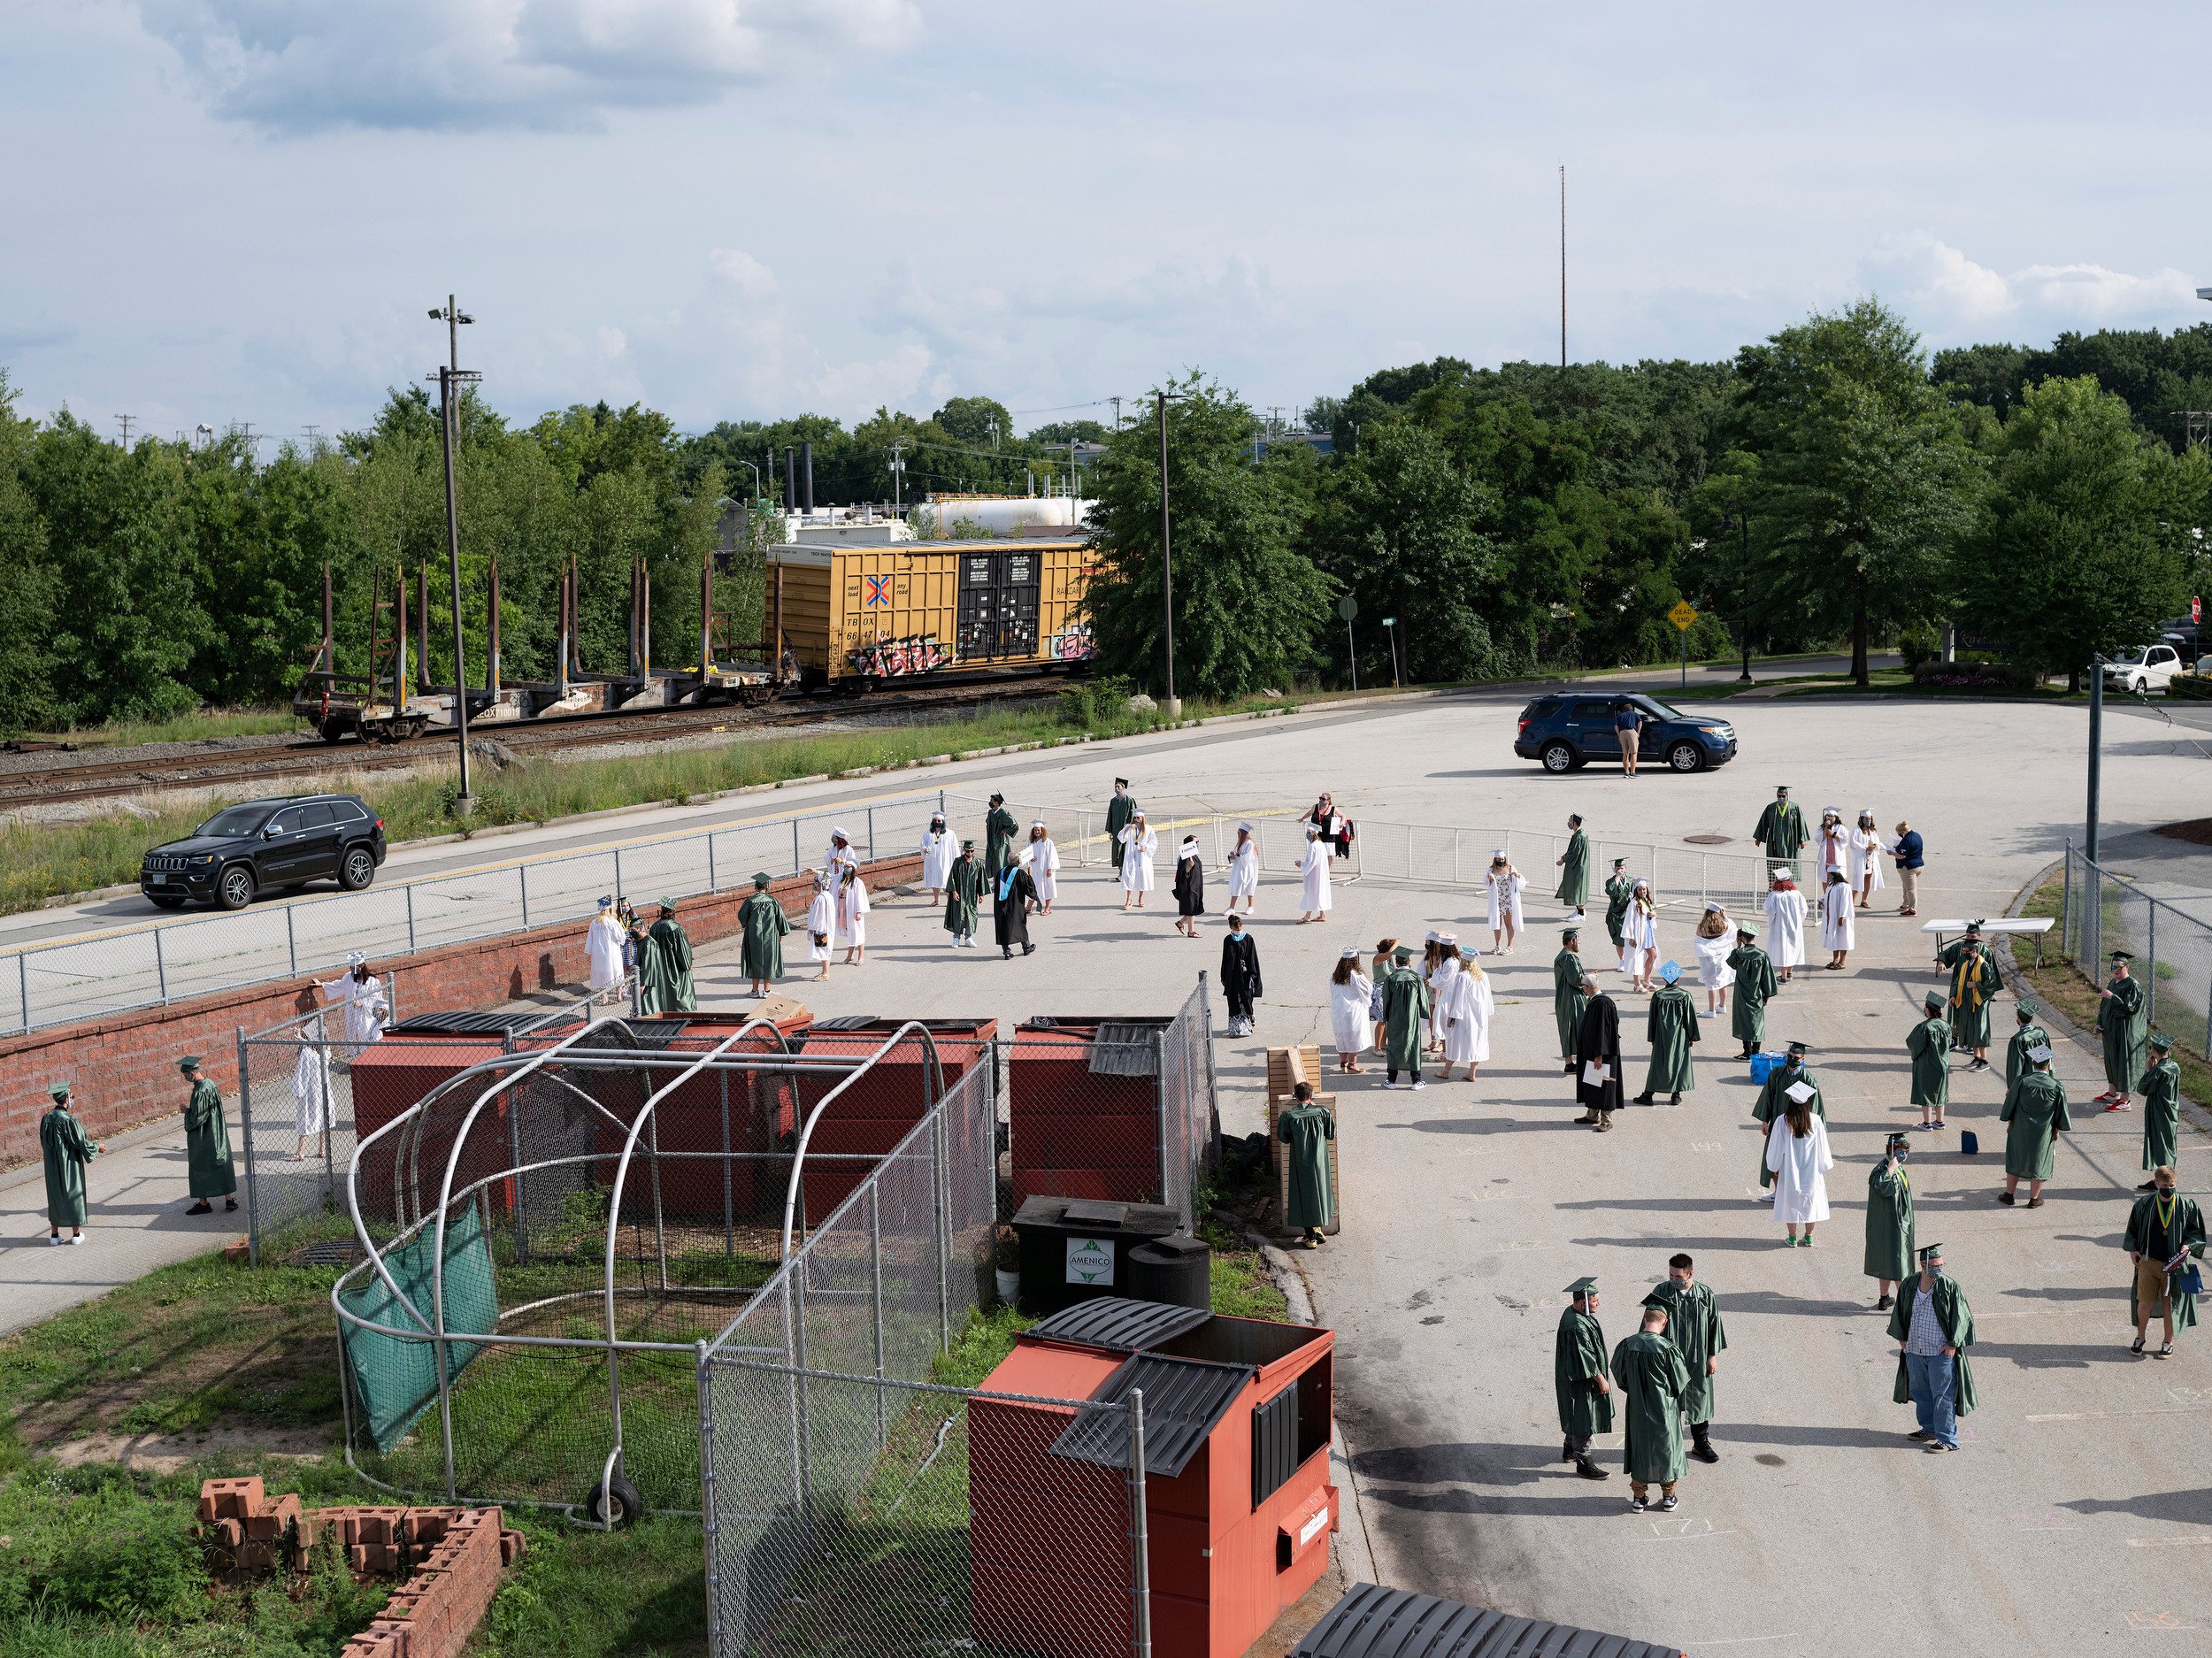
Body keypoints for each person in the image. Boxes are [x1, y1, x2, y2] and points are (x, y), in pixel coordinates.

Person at [1889, 1242, 1975, 1453]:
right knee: (1921, 1391)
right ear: (1923, 1265)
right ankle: (1929, 1428)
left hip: (1939, 1353)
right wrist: (1902, 1339)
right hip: (1915, 1350)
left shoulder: (1949, 1286)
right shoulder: (1910, 1284)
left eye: (1941, 1264)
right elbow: (1900, 1310)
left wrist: (1952, 1345)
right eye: (1935, 1265)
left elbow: (1962, 1317)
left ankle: (1948, 1439)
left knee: (1943, 1395)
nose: (1939, 1269)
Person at [1643, 1254, 1725, 1464]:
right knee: (1668, 1402)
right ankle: (1669, 1446)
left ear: (1690, 1274)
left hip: (1697, 1360)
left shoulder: (1705, 1295)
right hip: (1669, 1360)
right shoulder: (1662, 1292)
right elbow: (1650, 1325)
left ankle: (1700, 1443)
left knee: (1699, 1399)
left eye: (1678, 1276)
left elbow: (1714, 1325)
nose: (1673, 1279)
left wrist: (1712, 1356)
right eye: (1670, 1275)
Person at [1611, 1304, 1693, 1513]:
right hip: (1664, 1408)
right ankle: (1668, 1496)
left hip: (1638, 1407)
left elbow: (1620, 1376)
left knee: (1640, 1447)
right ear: (1664, 1323)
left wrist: (1636, 1390)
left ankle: (1639, 1498)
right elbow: (1680, 1382)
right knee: (1666, 1448)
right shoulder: (1668, 1349)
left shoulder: (1628, 1345)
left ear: (1644, 1318)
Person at [2124, 1165, 2205, 1359]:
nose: (2169, 1189)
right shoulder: (2144, 1205)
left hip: (2174, 1266)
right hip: (2148, 1262)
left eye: (2172, 1185)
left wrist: (2188, 1246)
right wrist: (2133, 1249)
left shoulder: (2187, 1206)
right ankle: (2140, 1338)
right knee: (2144, 1303)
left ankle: (2168, 1342)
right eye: (2165, 1185)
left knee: (2171, 1306)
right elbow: (2133, 1229)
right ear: (2156, 1184)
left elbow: (2196, 1233)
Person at [1555, 1277, 1614, 1480]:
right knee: (1584, 1416)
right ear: (1583, 1302)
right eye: (1595, 1300)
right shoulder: (1577, 1327)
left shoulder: (1573, 1313)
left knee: (1576, 1412)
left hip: (1571, 1377)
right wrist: (1601, 1380)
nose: (1598, 1303)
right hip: (1580, 1379)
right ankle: (1583, 1460)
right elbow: (1585, 1357)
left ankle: (1569, 1448)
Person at [1998, 1042, 2070, 1209]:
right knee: (2039, 1161)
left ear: (2032, 1063)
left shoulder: (2022, 1082)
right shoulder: (2056, 1086)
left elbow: (2010, 1104)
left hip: (2019, 1127)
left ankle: (2009, 1195)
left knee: (2016, 1158)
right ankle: (2034, 1198)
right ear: (2049, 1064)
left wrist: (2009, 1121)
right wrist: (2057, 1130)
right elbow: (2061, 1112)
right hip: (2044, 1131)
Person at [1752, 1040, 1823, 1196]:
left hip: (1798, 1128)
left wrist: (1809, 1130)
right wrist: (1765, 1120)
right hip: (1779, 1124)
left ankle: (1795, 1192)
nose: (1792, 1059)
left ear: (1803, 1059)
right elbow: (1768, 1096)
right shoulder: (1777, 1074)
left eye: (1796, 1057)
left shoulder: (1808, 1080)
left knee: (1794, 1161)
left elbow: (1815, 1109)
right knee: (1774, 1157)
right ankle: (1778, 1192)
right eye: (1790, 1055)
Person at [1766, 1086, 1833, 1247]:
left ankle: (1792, 1237)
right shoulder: (1815, 1120)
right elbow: (1822, 1146)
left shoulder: (1782, 1121)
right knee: (1810, 1200)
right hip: (1811, 1169)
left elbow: (1776, 1146)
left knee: (1790, 1201)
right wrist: (1823, 1164)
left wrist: (1774, 1165)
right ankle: (1809, 1236)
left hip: (1790, 1168)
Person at [1276, 1081, 1335, 1248]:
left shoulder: (1289, 1116)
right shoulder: (1322, 1112)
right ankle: (1318, 1229)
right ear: (1311, 1096)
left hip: (1300, 1161)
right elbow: (1330, 1133)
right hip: (1320, 1160)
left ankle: (1311, 1237)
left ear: (1296, 1097)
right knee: (1320, 1191)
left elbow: (1284, 1137)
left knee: (1303, 1194)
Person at [39, 1082, 100, 1245]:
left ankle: (54, 1236)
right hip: (69, 1163)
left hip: (52, 1164)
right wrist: (97, 1147)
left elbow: (43, 1142)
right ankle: (76, 1234)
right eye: (71, 1095)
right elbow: (80, 1142)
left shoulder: (46, 1119)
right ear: (65, 1098)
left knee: (55, 1195)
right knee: (73, 1193)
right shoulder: (68, 1120)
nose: (73, 1098)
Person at [1937, 922, 2001, 1072]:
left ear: (1977, 942)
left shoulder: (1984, 960)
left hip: (1979, 1000)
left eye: (1973, 938)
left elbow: (1992, 981)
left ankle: (1983, 1060)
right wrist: (1953, 994)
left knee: (1980, 1029)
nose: (1965, 951)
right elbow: (1958, 979)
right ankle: (1975, 1056)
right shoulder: (1966, 961)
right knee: (1969, 1026)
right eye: (1968, 937)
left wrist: (1978, 988)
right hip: (1964, 998)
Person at [1633, 960, 1698, 1106]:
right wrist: (1692, 1036)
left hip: (1661, 1035)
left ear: (1664, 978)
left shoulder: (1658, 996)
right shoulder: (1685, 995)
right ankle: (1676, 1095)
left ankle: (1648, 1094)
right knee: (1679, 1062)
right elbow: (1690, 1018)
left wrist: (1652, 1036)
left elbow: (1653, 1019)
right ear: (1678, 978)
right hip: (1680, 1035)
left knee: (1657, 1063)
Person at [1865, 1133, 1916, 1311]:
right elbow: (1879, 1185)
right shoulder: (1883, 1169)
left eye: (1907, 1151)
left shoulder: (1897, 1167)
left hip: (1896, 1222)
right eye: (1901, 1151)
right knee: (1899, 1264)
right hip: (1892, 1224)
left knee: (1888, 1261)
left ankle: (1885, 1298)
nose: (1905, 1155)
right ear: (1891, 1150)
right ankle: (1906, 1306)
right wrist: (1890, 1170)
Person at [180, 1055, 236, 1217]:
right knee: (220, 1161)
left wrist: (186, 1112)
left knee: (199, 1164)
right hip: (217, 1130)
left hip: (204, 1134)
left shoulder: (200, 1091)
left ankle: (203, 1203)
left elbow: (198, 1118)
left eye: (185, 1075)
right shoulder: (211, 1084)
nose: (185, 1078)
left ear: (191, 1072)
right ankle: (229, 1200)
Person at [2096, 950, 2148, 1110]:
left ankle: (2125, 1101)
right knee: (2111, 1060)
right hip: (2111, 1030)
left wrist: (2113, 997)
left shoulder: (2133, 985)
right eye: (2113, 967)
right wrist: (2100, 1022)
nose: (2116, 971)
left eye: (2119, 967)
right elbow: (2104, 1005)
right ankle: (2113, 1094)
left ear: (2127, 967)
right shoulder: (2113, 983)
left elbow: (2129, 1007)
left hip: (2125, 1032)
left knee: (2123, 1063)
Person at [316, 954, 388, 1059]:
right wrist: (322, 984)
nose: (352, 970)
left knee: (365, 1035)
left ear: (362, 966)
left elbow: (376, 998)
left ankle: (369, 1061)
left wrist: (362, 1002)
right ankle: (357, 1060)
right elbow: (339, 985)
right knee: (352, 1036)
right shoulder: (349, 977)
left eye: (355, 968)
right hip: (352, 1013)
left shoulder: (372, 980)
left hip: (365, 1014)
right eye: (351, 968)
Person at [1439, 942, 1493, 1083]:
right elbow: (1488, 997)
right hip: (1479, 1015)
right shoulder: (1483, 975)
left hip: (1465, 1015)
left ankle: (1446, 1071)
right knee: (1477, 1042)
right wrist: (1486, 1012)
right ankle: (1472, 1073)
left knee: (1454, 1041)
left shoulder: (1462, 976)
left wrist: (1451, 1016)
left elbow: (1457, 997)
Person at [1575, 977, 1624, 1131]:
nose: (1582, 990)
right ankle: (1592, 1114)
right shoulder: (1597, 1001)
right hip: (1594, 1052)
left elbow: (1604, 1031)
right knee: (1593, 1083)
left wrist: (1599, 1055)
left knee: (1605, 1085)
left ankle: (1606, 1120)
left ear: (1587, 987)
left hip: (1603, 1055)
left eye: (1583, 987)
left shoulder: (1603, 1004)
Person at [1379, 947, 1431, 1089]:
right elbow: (1423, 999)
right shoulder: (1416, 978)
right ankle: (1416, 1080)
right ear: (1409, 962)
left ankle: (1391, 1080)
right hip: (1411, 1017)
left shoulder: (1390, 979)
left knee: (1394, 1045)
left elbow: (1386, 999)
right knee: (1413, 1044)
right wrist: (1425, 1013)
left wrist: (1386, 1016)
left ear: (1396, 963)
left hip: (1394, 1017)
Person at [1726, 922, 1777, 1060]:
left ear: (1741, 937)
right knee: (1757, 1021)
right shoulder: (1762, 955)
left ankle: (1747, 1052)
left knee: (1743, 1021)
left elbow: (1731, 964)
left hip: (1741, 994)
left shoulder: (1738, 953)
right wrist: (1767, 994)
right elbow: (1767, 977)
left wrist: (1737, 946)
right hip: (1757, 993)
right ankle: (1756, 1052)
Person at [2139, 1032, 2183, 1190]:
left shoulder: (2159, 1071)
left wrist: (2148, 1069)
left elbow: (2142, 1088)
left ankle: (2165, 1183)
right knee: (2167, 1144)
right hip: (2171, 1110)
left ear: (2154, 1051)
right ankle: (2160, 1179)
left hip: (2159, 1111)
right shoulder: (2174, 1067)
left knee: (2161, 1146)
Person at [638, 897, 696, 1012]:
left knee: (664, 989)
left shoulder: (654, 927)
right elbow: (682, 949)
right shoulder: (675, 927)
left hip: (660, 965)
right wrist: (687, 963)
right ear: (672, 913)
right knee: (679, 988)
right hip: (674, 965)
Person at [1907, 990, 1952, 1132]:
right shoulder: (1946, 1026)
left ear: (1928, 1009)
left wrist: (1916, 1055)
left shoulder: (1925, 1027)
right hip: (1943, 1064)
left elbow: (1913, 1043)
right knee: (1940, 1092)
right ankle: (1940, 1121)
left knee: (1926, 1092)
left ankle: (1927, 1123)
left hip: (1927, 1065)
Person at [738, 871, 787, 994]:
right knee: (769, 960)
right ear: (767, 886)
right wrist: (781, 932)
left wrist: (746, 924)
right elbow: (780, 918)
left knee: (755, 960)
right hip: (770, 935)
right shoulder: (772, 901)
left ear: (755, 887)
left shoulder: (750, 901)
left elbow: (742, 916)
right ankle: (767, 991)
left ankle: (754, 991)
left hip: (753, 935)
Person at [1551, 928, 1590, 1074]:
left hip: (1563, 998)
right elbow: (1576, 980)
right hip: (1573, 999)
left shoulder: (1560, 956)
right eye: (1577, 940)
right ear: (1572, 941)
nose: (1579, 942)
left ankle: (1569, 1064)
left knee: (1566, 1030)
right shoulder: (1569, 957)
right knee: (1581, 1029)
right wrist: (1589, 979)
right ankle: (1582, 1063)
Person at [1328, 949, 1373, 1072]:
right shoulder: (1356, 975)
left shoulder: (1334, 976)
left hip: (1337, 1010)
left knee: (1341, 1036)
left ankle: (1343, 1063)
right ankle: (1352, 1064)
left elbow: (1332, 992)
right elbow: (1368, 990)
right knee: (1353, 1037)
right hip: (1353, 1011)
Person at [1752, 785, 1809, 879]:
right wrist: (1759, 838)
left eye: (1783, 796)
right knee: (1774, 863)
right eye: (1779, 796)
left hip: (1790, 842)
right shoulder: (1771, 808)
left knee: (1788, 862)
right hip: (1774, 842)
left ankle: (1788, 886)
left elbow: (1800, 824)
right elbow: (1764, 822)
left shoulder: (1794, 808)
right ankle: (1772, 886)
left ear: (1787, 796)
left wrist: (1802, 840)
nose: (1781, 798)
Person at [291, 1032, 333, 1162]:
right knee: (323, 1118)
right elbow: (316, 1044)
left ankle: (301, 1152)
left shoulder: (307, 1054)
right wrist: (301, 1038)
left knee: (306, 1119)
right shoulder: (325, 1052)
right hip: (324, 1090)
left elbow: (302, 1073)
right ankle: (322, 1149)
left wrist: (298, 1091)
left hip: (311, 1092)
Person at [1220, 912, 1263, 1035]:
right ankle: (1235, 1028)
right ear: (1231, 927)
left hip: (1245, 975)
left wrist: (1254, 975)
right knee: (1233, 1000)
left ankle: (1249, 1020)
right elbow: (1225, 958)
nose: (1238, 930)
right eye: (1236, 928)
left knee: (1246, 999)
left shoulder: (1248, 939)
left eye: (1240, 927)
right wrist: (1223, 976)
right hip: (1232, 975)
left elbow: (1253, 958)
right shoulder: (1228, 940)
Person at [1691, 902, 1734, 1017]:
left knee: (1712, 986)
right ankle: (1722, 1006)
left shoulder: (1701, 927)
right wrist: (1725, 917)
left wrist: (1709, 950)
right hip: (1723, 959)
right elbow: (1733, 930)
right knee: (1723, 983)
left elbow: (1698, 944)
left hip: (1709, 960)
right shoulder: (1724, 925)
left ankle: (1711, 1011)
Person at [993, 853, 1039, 959]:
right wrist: (1030, 875)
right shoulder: (1020, 873)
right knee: (1020, 924)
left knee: (1003, 925)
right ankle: (1026, 948)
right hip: (1015, 905)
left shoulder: (1000, 872)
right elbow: (1029, 888)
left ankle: (1007, 952)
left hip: (1000, 905)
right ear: (1018, 862)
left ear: (1008, 861)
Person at [586, 896, 627, 1003]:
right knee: (616, 970)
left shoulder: (594, 923)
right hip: (612, 951)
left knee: (602, 973)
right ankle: (619, 994)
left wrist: (590, 949)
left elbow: (590, 939)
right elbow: (620, 937)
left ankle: (604, 996)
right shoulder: (612, 922)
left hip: (598, 953)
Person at [944, 840, 983, 948]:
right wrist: (953, 891)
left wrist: (981, 894)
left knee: (971, 915)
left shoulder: (978, 863)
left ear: (974, 850)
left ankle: (969, 938)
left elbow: (981, 880)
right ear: (963, 850)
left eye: (971, 851)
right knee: (958, 915)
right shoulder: (957, 862)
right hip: (959, 894)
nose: (969, 853)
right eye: (967, 851)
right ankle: (956, 938)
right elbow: (952, 877)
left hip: (971, 894)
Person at [1621, 879, 1658, 992]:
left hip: (1647, 934)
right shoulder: (1633, 904)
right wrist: (1631, 937)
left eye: (1644, 889)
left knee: (1653, 956)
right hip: (1637, 935)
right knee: (1636, 959)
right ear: (1636, 890)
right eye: (1640, 889)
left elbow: (1649, 916)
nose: (1643, 891)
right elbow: (1628, 921)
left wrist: (1654, 914)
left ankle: (1646, 981)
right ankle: (1637, 985)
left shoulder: (1646, 901)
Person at [1485, 852, 1525, 954]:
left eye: (1502, 859)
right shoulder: (1490, 870)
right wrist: (1489, 879)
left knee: (1508, 923)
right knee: (1496, 923)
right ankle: (1497, 945)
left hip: (1508, 899)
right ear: (1495, 859)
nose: (1501, 861)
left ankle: (1510, 946)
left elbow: (1521, 882)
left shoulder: (1511, 868)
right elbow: (1486, 882)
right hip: (1497, 899)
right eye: (1499, 859)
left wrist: (1517, 875)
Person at [1118, 810, 1158, 910]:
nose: (1136, 820)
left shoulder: (1148, 828)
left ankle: (1141, 897)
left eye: (1138, 818)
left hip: (1142, 856)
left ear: (1143, 819)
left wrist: (1146, 847)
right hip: (1131, 855)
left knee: (1142, 875)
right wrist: (1128, 828)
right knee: (1129, 875)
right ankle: (1129, 900)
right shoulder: (1130, 827)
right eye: (1135, 818)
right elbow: (1121, 838)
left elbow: (1154, 842)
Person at [1818, 869, 1855, 971]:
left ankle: (1842, 962)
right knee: (1834, 937)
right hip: (1831, 917)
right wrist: (1821, 901)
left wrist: (1842, 916)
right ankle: (1835, 959)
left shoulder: (1844, 886)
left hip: (1841, 917)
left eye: (1829, 874)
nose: (1828, 876)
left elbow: (1846, 902)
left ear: (1835, 874)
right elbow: (1827, 896)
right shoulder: (1831, 885)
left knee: (1843, 938)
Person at [2006, 1002, 2048, 1091]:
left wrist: (2012, 1088)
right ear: (2032, 1018)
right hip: (2044, 1080)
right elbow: (2046, 1059)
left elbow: (2016, 1066)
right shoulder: (2041, 1033)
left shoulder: (2018, 1039)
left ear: (2018, 1018)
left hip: (2027, 1083)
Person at [1555, 814, 1591, 918]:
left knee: (1578, 888)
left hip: (1579, 866)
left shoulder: (1580, 836)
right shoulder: (1578, 834)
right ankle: (1578, 910)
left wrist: (1563, 860)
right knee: (1575, 887)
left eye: (1570, 820)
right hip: (1578, 865)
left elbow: (1574, 853)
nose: (1568, 823)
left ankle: (1581, 914)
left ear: (1574, 822)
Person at [1851, 810, 1888, 909]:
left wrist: (1875, 846)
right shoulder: (1857, 830)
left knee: (1868, 878)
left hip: (1871, 858)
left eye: (1870, 819)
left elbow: (1877, 842)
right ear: (1862, 819)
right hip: (1861, 858)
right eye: (1866, 819)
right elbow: (1853, 843)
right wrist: (1865, 847)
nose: (1868, 821)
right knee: (1858, 880)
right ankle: (1852, 903)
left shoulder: (1872, 831)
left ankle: (1864, 900)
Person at [803, 872, 836, 980]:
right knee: (826, 949)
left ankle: (825, 973)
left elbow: (816, 915)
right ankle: (824, 971)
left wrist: (812, 928)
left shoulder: (820, 898)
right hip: (828, 927)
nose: (815, 885)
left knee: (824, 950)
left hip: (821, 928)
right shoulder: (828, 896)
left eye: (817, 883)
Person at [1023, 820, 1061, 914]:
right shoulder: (1030, 842)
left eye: (1038, 830)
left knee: (1047, 886)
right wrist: (1030, 860)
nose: (1037, 832)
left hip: (1045, 868)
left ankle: (1047, 908)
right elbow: (1027, 854)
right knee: (1033, 887)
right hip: (1035, 869)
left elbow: (1051, 856)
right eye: (1035, 830)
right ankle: (1028, 908)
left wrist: (1049, 868)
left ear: (1042, 830)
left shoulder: (1047, 842)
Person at [1297, 825, 1333, 924]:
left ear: (1314, 834)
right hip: (1321, 874)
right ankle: (1322, 915)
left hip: (1314, 875)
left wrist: (1301, 864)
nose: (1307, 834)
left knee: (1311, 893)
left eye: (1309, 832)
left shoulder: (1313, 846)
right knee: (1319, 892)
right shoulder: (1320, 844)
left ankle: (1307, 916)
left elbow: (1312, 862)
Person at [1302, 791, 1353, 859]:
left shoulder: (1333, 809)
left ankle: (1327, 870)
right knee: (1316, 854)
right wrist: (1302, 818)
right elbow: (1309, 813)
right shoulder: (1315, 806)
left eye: (1323, 799)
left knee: (1328, 855)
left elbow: (1343, 815)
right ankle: (1318, 869)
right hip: (1316, 835)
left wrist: (1342, 823)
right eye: (1320, 798)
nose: (1321, 800)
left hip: (1329, 836)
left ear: (1328, 801)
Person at [1173, 836, 1206, 937]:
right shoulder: (1185, 856)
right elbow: (1182, 873)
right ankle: (1191, 932)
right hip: (1188, 887)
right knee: (1191, 909)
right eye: (1196, 842)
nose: (1197, 844)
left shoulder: (1193, 855)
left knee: (1192, 908)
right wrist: (1189, 866)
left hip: (1195, 885)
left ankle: (1180, 923)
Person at [1601, 857, 1632, 964]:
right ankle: (1622, 960)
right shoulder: (1611, 881)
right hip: (1616, 913)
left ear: (1626, 868)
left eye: (1622, 868)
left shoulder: (1631, 881)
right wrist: (1618, 877)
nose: (1620, 870)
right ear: (1615, 869)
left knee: (1631, 937)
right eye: (1618, 868)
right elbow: (1610, 891)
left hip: (1629, 912)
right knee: (1619, 939)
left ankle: (1631, 958)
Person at [1892, 819, 1924, 917]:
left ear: (1902, 832)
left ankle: (1912, 909)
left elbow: (1902, 856)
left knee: (1911, 889)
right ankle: (1905, 905)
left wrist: (1891, 852)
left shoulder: (1906, 839)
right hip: (1919, 865)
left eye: (1899, 834)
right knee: (1906, 886)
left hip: (1909, 868)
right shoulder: (1917, 835)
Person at [919, 812, 956, 902]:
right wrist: (924, 849)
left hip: (945, 861)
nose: (937, 822)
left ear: (943, 821)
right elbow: (922, 843)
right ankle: (936, 900)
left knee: (945, 881)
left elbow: (954, 847)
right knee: (934, 880)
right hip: (932, 860)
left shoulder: (949, 833)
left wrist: (956, 860)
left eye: (939, 820)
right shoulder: (928, 833)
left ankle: (951, 902)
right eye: (935, 820)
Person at [983, 793, 1019, 882]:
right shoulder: (990, 812)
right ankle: (996, 882)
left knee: (1000, 862)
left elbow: (1014, 825)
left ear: (996, 802)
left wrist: (1005, 830)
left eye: (992, 801)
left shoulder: (1003, 813)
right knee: (993, 862)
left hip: (1000, 842)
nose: (990, 802)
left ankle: (1002, 881)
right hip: (992, 841)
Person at [838, 864, 870, 964]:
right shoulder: (842, 880)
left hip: (854, 910)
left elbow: (860, 897)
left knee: (858, 932)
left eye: (849, 867)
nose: (847, 869)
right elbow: (830, 876)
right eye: (845, 867)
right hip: (844, 910)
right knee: (850, 933)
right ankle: (850, 956)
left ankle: (861, 957)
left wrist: (859, 911)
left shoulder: (857, 882)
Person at [1225, 822, 1258, 913]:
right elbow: (1235, 852)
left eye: (1239, 832)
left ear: (1243, 833)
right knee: (1236, 885)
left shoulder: (1250, 844)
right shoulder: (1240, 843)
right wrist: (1231, 855)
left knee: (1249, 886)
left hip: (1247, 869)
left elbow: (1247, 858)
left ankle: (1250, 906)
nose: (1237, 834)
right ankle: (1232, 907)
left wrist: (1237, 854)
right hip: (1238, 869)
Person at [1816, 808, 1849, 887]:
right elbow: (1819, 839)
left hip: (1836, 855)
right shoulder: (1822, 828)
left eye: (1832, 816)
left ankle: (1836, 893)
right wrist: (1826, 828)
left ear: (1836, 817)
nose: (1830, 818)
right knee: (1826, 876)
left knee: (1837, 875)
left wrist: (1833, 834)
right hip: (1826, 855)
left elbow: (1845, 839)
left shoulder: (1841, 827)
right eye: (1828, 816)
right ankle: (1826, 895)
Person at [1104, 778, 1139, 849]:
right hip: (1116, 829)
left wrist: (1132, 827)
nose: (1116, 788)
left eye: (1118, 787)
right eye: (1115, 787)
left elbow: (1133, 815)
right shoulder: (1113, 801)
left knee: (1126, 848)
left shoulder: (1129, 800)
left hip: (1126, 828)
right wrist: (1110, 831)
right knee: (1116, 849)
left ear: (1123, 787)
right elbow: (1110, 816)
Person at [1614, 701, 1646, 776]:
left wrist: (1619, 735)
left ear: (1624, 709)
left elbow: (1616, 726)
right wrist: (1638, 732)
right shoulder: (1635, 714)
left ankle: (1626, 772)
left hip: (1622, 732)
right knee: (1634, 752)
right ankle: (1632, 772)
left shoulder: (1620, 716)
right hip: (1631, 731)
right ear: (1631, 709)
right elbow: (1640, 722)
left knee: (1625, 753)